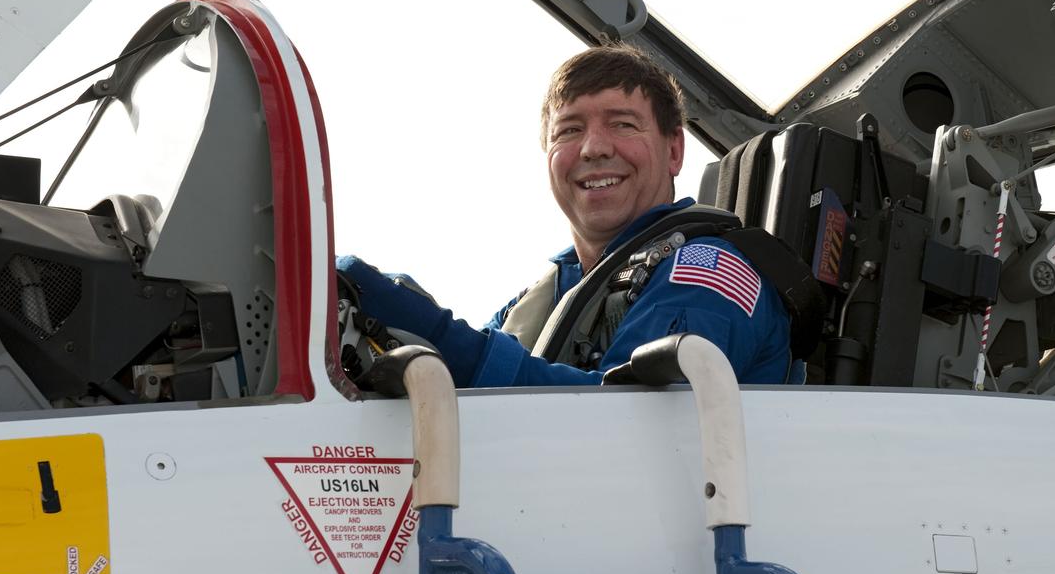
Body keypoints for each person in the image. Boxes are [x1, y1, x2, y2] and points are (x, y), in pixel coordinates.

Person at [336, 43, 791, 386]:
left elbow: (631, 426)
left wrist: (437, 333)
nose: (593, 148)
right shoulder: (550, 294)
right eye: (569, 130)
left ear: (674, 151)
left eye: (623, 124)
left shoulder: (710, 274)